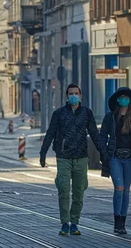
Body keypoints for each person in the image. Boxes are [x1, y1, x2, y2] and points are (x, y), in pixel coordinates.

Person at [40, 84, 101, 236]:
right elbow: (50, 133)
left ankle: (74, 222)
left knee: (79, 191)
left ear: (80, 95)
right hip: (63, 157)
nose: (74, 96)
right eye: (71, 93)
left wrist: (103, 153)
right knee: (64, 190)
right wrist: (43, 152)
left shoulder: (86, 112)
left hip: (81, 157)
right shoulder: (59, 113)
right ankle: (64, 223)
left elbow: (94, 133)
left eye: (76, 93)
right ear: (67, 96)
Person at [99, 87, 131, 235]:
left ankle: (122, 223)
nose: (124, 99)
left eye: (127, 97)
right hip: (115, 157)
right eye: (121, 97)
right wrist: (104, 153)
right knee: (118, 188)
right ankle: (116, 220)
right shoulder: (110, 116)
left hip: (130, 158)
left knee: (126, 190)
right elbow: (102, 135)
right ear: (117, 99)